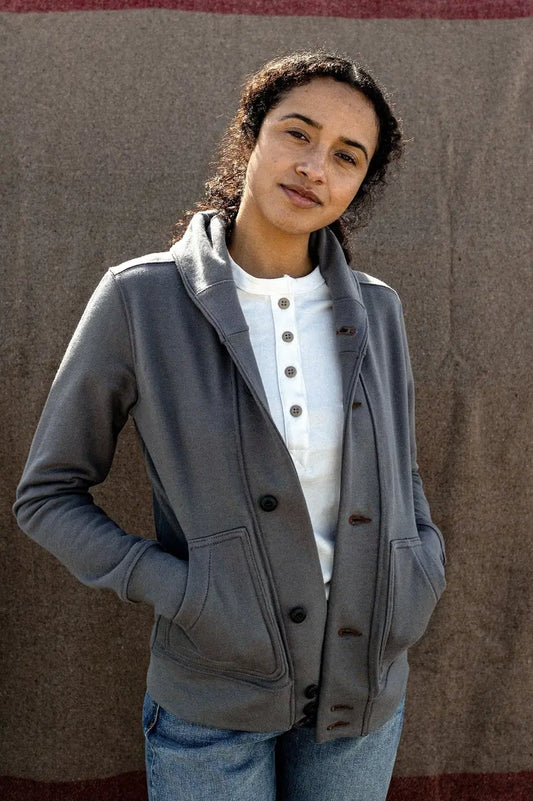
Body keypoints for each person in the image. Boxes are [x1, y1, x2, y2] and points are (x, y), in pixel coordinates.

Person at [14, 51, 446, 801]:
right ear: (250, 136)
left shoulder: (378, 309)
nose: (315, 166)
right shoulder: (141, 299)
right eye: (297, 134)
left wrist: (417, 569)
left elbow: (398, 470)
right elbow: (46, 494)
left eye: (346, 156)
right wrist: (186, 592)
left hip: (363, 690)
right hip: (212, 695)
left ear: (359, 186)